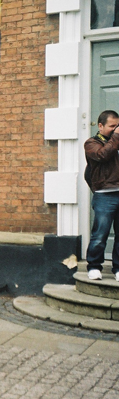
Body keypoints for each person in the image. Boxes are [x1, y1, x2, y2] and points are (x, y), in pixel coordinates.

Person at [84, 110, 119, 282]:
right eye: (112, 126)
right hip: (105, 195)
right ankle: (94, 266)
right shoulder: (91, 143)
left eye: (117, 126)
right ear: (100, 126)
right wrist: (116, 137)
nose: (115, 129)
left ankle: (118, 268)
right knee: (100, 235)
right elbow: (102, 155)